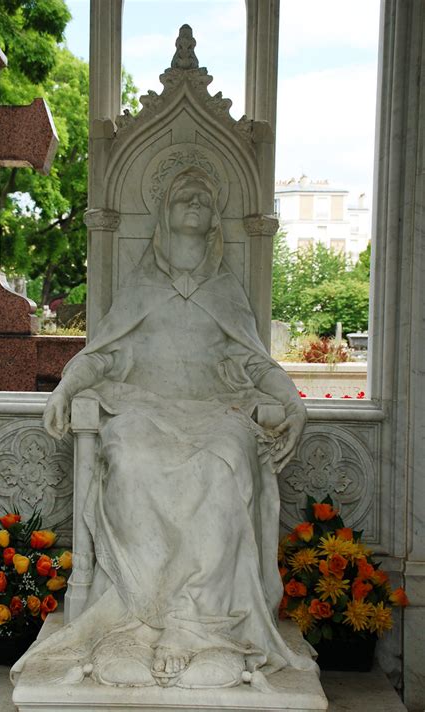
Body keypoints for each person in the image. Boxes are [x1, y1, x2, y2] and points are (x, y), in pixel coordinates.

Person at [39, 167, 316, 688]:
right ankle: (136, 622)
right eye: (182, 195)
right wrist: (65, 388)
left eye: (202, 197)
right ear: (163, 214)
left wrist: (291, 400)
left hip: (215, 413)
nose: (193, 201)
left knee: (226, 460)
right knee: (127, 458)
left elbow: (255, 362)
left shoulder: (225, 291)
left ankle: (199, 625)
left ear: (215, 220)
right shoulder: (140, 287)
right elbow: (101, 356)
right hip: (143, 408)